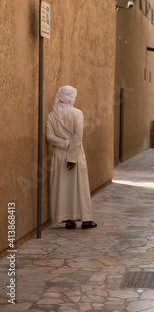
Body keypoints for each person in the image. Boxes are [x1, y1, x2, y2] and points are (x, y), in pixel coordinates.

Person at [46, 86, 97, 229]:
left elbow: (50, 137)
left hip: (58, 155)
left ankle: (68, 220)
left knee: (64, 187)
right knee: (79, 187)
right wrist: (72, 156)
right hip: (75, 153)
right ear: (71, 97)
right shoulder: (77, 113)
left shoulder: (51, 115)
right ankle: (86, 220)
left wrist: (63, 144)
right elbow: (77, 136)